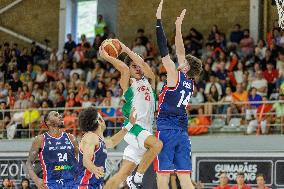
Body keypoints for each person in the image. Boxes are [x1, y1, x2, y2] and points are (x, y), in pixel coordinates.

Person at [99, 39, 163, 189]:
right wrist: (108, 57)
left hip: (145, 132)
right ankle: (137, 179)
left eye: (138, 66)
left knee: (120, 177)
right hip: (134, 128)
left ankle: (128, 181)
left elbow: (145, 67)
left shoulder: (149, 81)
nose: (138, 68)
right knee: (157, 145)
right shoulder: (128, 83)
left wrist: (126, 49)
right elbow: (124, 68)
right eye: (134, 66)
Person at [155, 1, 203, 189]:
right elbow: (180, 50)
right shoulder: (190, 82)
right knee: (184, 178)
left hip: (166, 130)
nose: (180, 60)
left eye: (183, 61)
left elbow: (163, 50)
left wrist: (158, 21)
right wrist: (177, 26)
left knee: (163, 176)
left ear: (186, 67)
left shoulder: (174, 75)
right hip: (182, 132)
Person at [75, 107, 136, 189]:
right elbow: (86, 161)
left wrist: (130, 125)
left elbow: (113, 141)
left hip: (94, 185)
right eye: (101, 118)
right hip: (85, 185)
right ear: (99, 121)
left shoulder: (99, 140)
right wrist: (95, 169)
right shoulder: (91, 136)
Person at [26, 111, 79, 189]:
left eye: (59, 115)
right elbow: (28, 162)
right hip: (51, 184)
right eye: (55, 115)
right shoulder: (40, 140)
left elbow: (81, 161)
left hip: (72, 183)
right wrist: (36, 179)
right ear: (47, 122)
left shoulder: (71, 138)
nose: (60, 116)